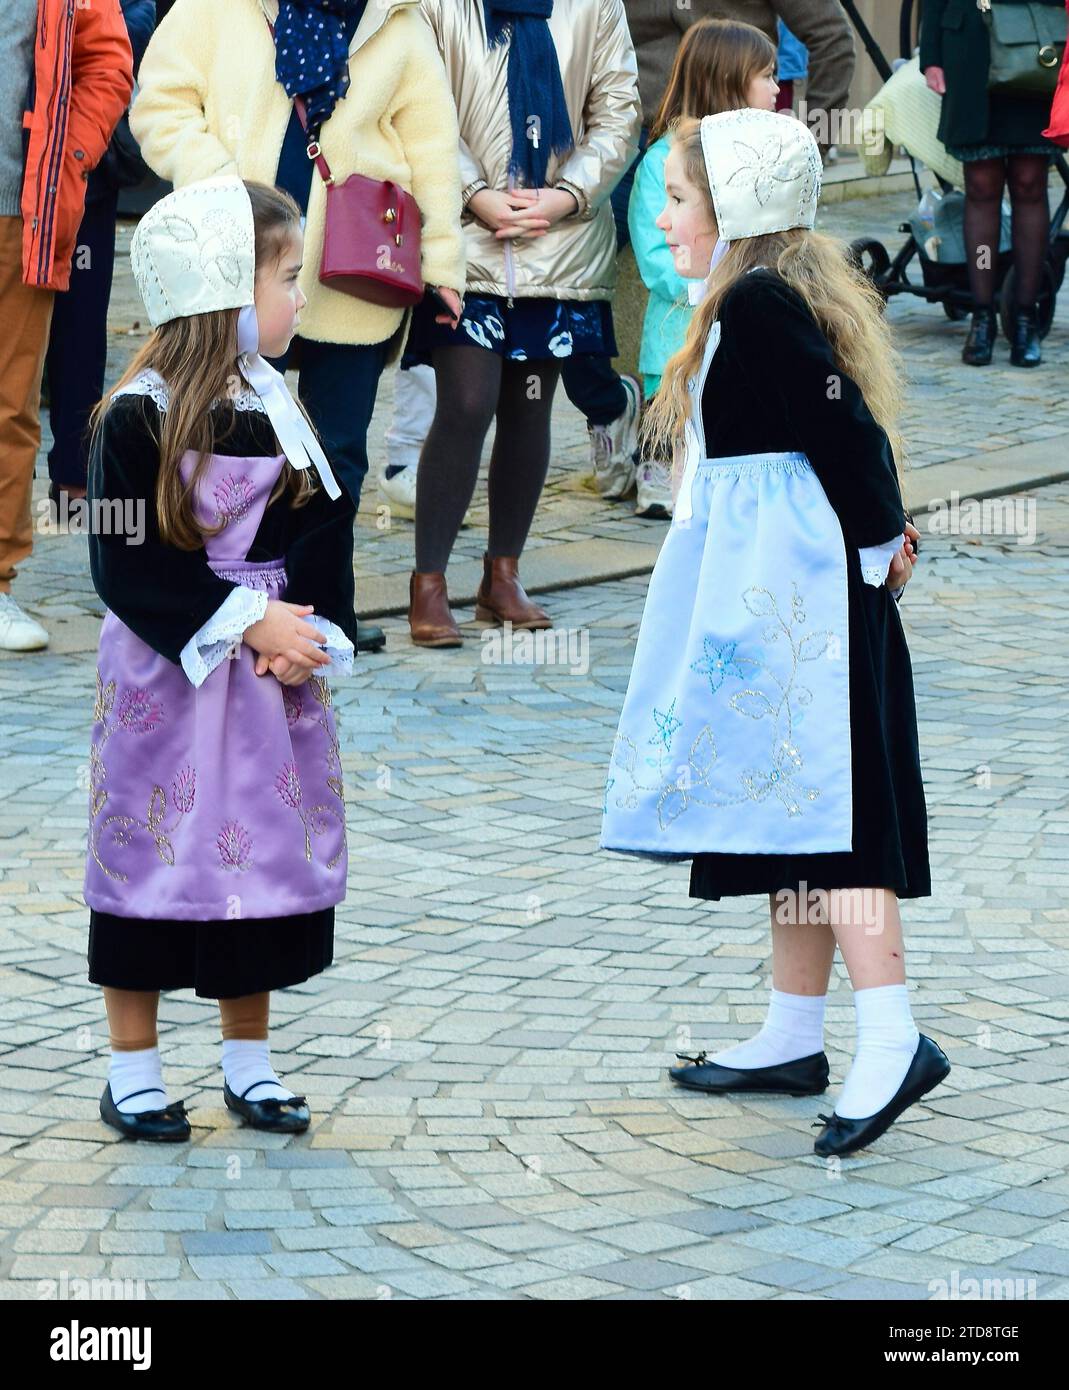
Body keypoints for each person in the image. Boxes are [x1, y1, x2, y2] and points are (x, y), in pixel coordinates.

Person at [601, 109, 950, 1158]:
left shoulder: (755, 302)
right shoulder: (749, 298)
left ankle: (892, 1038)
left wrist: (881, 533)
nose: (661, 218)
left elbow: (841, 426)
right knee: (790, 812)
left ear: (733, 207)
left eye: (678, 198)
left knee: (833, 819)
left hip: (810, 609)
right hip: (775, 598)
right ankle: (795, 1033)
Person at [84, 177, 357, 1142]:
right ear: (223, 291)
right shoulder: (133, 418)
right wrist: (246, 622)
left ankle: (250, 1059)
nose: (301, 298)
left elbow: (324, 523)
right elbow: (125, 566)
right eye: (287, 277)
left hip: (267, 680)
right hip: (172, 678)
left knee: (258, 862)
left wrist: (311, 632)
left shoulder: (281, 406)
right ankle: (135, 1071)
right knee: (152, 856)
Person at [130, 0, 467, 654]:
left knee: (334, 451)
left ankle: (323, 608)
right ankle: (225, 605)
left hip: (355, 270)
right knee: (231, 441)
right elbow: (160, 103)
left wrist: (444, 260)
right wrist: (223, 182)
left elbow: (431, 147)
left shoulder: (396, 19)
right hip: (237, 271)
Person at [406, 0, 640, 648]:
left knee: (529, 407)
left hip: (560, 239)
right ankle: (427, 582)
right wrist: (474, 192)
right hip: (463, 240)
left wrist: (566, 196)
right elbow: (419, 104)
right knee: (466, 400)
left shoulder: (593, 5)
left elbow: (618, 109)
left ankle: (500, 575)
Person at [0, 0, 133, 653]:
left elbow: (107, 63)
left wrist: (67, 155)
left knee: (11, 405)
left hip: (22, 214)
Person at [628, 17, 778, 518]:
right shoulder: (660, 163)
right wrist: (720, 288)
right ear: (731, 81)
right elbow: (656, 257)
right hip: (678, 338)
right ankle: (651, 465)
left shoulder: (769, 161)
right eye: (767, 76)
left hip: (747, 342)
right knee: (679, 469)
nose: (778, 89)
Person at [44, 1, 158, 515]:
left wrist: (67, 33)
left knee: (82, 327)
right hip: (19, 157)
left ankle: (73, 474)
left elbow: (136, 18)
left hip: (85, 160)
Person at [921, 0, 1064, 367]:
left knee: (1030, 183)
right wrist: (932, 54)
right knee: (981, 187)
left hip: (1036, 45)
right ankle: (982, 318)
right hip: (969, 47)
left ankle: (1025, 319)